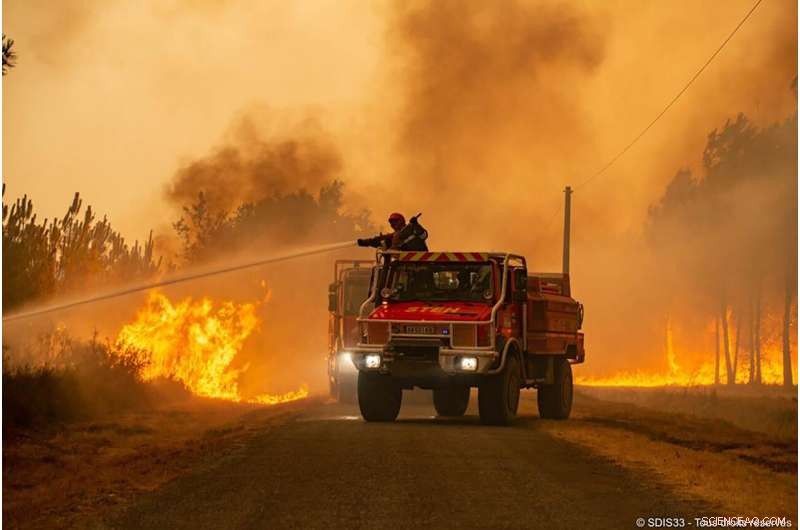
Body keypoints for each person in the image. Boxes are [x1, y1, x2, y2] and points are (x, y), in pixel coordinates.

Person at [357, 212, 429, 251]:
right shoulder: (394, 237)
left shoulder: (412, 228)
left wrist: (416, 225)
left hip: (420, 262)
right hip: (402, 266)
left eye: (395, 221)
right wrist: (365, 242)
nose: (393, 224)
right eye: (391, 222)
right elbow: (379, 241)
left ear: (402, 221)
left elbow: (424, 235)